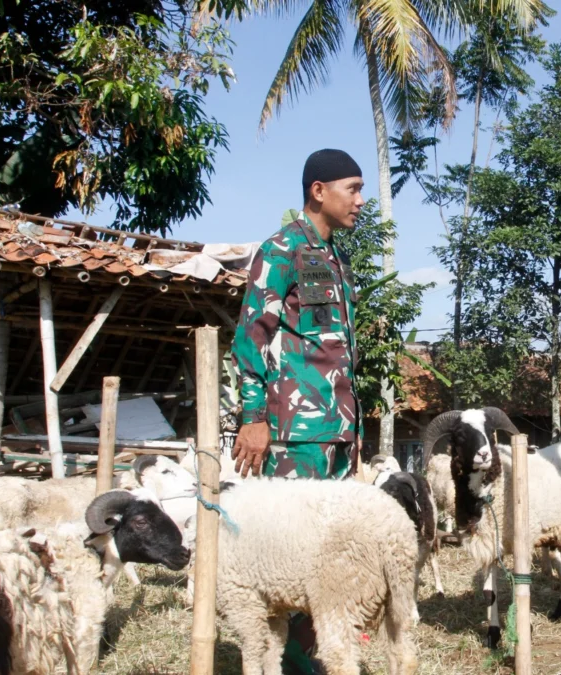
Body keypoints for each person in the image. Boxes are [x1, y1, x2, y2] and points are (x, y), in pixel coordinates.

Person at [230, 148, 365, 674]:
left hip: (335, 434)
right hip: (293, 434)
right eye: (352, 189)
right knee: (290, 555)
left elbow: (338, 354)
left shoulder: (336, 259)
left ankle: (316, 655)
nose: (359, 201)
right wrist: (253, 417)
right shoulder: (281, 249)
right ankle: (287, 660)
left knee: (327, 556)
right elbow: (250, 338)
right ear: (319, 191)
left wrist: (353, 438)